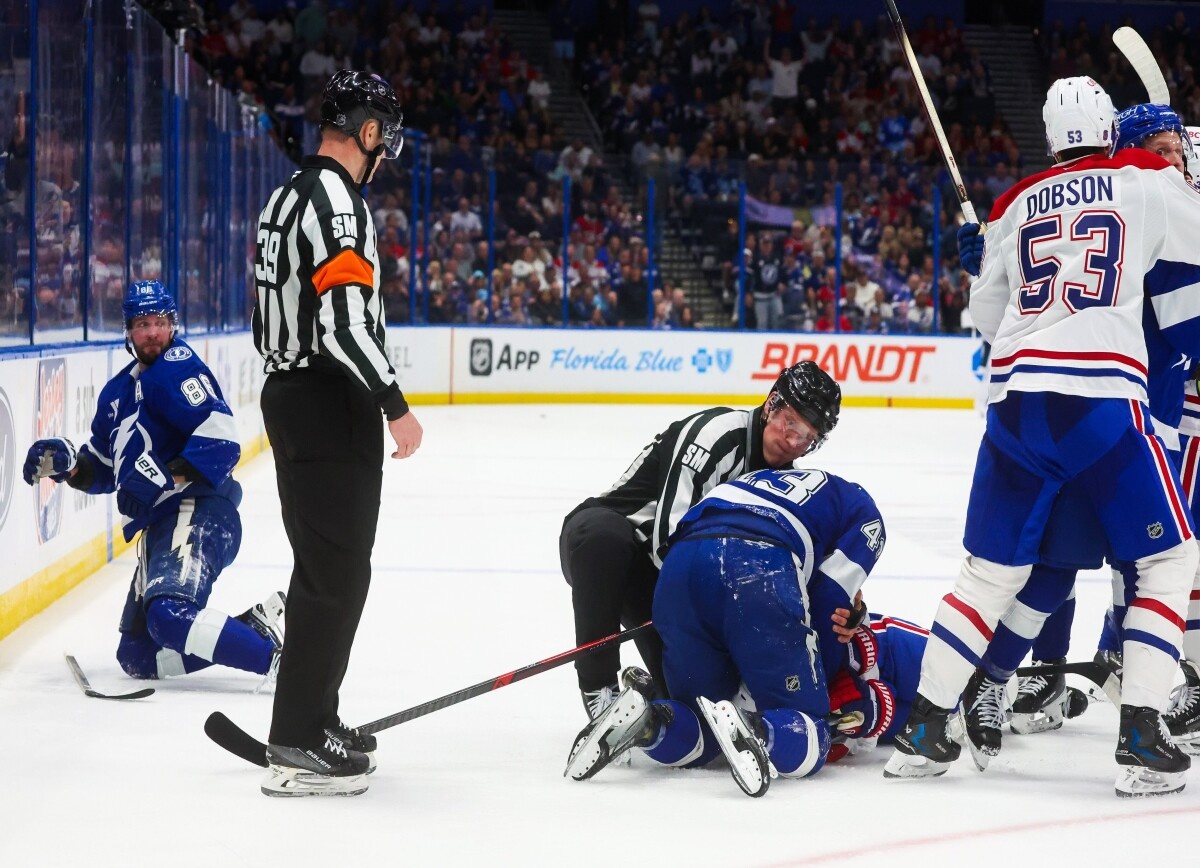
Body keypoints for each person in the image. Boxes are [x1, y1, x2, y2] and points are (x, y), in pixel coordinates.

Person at [885, 77, 1200, 798]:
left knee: (988, 574)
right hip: (1099, 403)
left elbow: (985, 317)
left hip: (1015, 403)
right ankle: (1141, 732)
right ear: (1110, 132)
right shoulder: (1142, 180)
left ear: (1050, 136)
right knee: (1168, 559)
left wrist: (988, 257)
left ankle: (926, 730)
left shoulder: (1011, 204)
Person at [251, 68, 423, 798]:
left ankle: (315, 717)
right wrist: (394, 403)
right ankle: (298, 736)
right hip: (329, 402)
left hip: (293, 397)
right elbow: (344, 324)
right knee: (337, 574)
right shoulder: (338, 203)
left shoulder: (287, 194)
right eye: (387, 136)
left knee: (324, 569)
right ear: (369, 132)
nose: (387, 153)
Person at [565, 466, 887, 797]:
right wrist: (818, 684)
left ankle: (648, 723)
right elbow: (829, 599)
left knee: (698, 721)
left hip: (680, 567)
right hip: (758, 565)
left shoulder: (758, 478)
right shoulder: (864, 511)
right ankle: (757, 728)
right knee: (810, 727)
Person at [22, 280, 284, 683]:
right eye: (142, 324)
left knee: (169, 616)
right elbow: (103, 470)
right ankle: (253, 632)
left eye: (159, 322)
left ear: (172, 325)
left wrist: (165, 476)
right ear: (128, 331)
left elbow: (222, 441)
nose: (152, 333)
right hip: (161, 523)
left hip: (198, 510)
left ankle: (283, 664)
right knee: (139, 655)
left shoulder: (177, 368)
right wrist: (69, 465)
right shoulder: (117, 393)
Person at [559, 361, 848, 725]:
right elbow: (667, 535)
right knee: (604, 538)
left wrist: (844, 605)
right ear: (772, 403)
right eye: (790, 423)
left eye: (807, 437)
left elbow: (795, 570)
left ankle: (652, 695)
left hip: (667, 580)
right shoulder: (716, 434)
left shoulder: (786, 485)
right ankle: (599, 686)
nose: (793, 441)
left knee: (695, 704)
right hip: (613, 547)